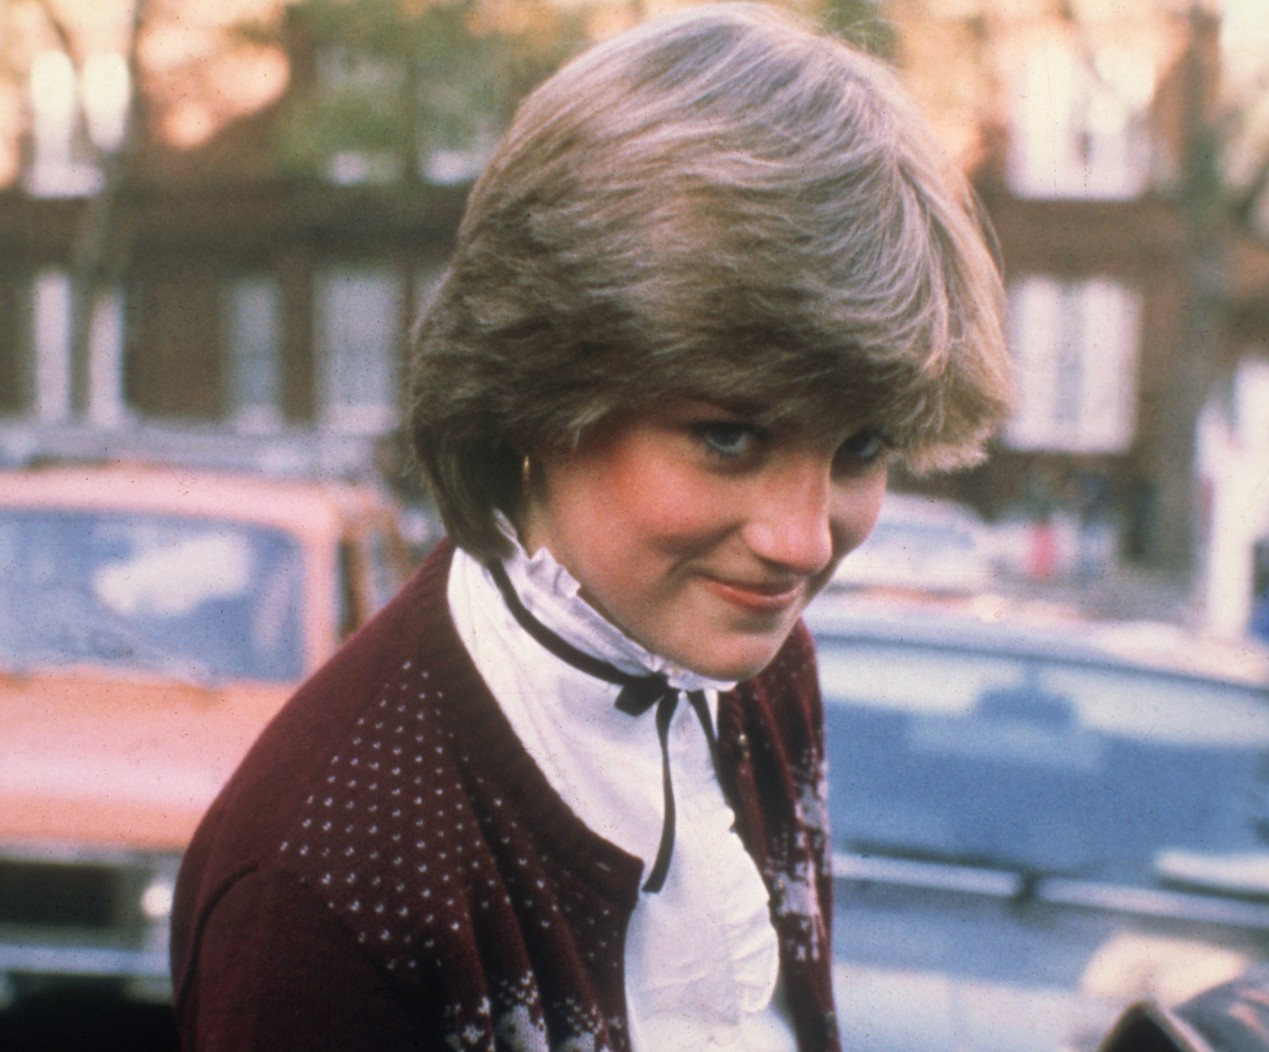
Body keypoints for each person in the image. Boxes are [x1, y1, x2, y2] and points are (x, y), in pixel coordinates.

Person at [169, 4, 1011, 1050]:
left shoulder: (760, 667)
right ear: (539, 389)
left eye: (861, 448)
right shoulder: (324, 883)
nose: (802, 540)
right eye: (731, 437)